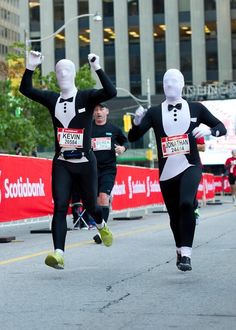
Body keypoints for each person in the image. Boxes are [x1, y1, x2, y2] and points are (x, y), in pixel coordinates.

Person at [20, 50, 117, 269]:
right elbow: (25, 89)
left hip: (85, 163)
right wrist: (30, 66)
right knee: (60, 206)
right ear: (55, 75)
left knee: (92, 206)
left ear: (73, 74)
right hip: (62, 162)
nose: (63, 74)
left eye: (67, 70)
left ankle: (101, 224)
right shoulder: (52, 99)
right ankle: (58, 253)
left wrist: (97, 67)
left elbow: (110, 91)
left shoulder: (86, 97)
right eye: (59, 71)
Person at [128, 68, 227, 272]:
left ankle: (187, 254)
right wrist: (137, 123)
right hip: (166, 171)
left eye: (174, 81)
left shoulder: (196, 108)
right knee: (174, 215)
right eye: (166, 82)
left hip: (190, 165)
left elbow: (221, 127)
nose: (170, 85)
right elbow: (133, 137)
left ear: (182, 84)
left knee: (185, 204)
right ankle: (179, 250)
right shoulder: (154, 112)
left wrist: (209, 130)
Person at [91, 103, 129, 244]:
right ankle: (102, 225)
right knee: (95, 203)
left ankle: (102, 233)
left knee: (103, 197)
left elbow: (126, 141)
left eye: (101, 109)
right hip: (91, 170)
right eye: (96, 109)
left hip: (108, 169)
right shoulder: (88, 128)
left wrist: (122, 148)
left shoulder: (113, 129)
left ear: (107, 111)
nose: (99, 112)